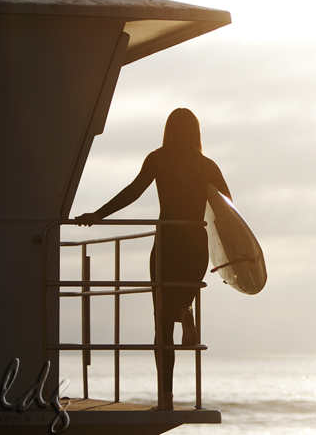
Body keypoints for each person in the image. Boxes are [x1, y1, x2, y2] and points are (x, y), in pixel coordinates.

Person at [76, 108, 231, 410]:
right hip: (195, 244)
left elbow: (133, 191)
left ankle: (166, 399)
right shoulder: (206, 165)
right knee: (182, 295)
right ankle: (186, 309)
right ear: (196, 132)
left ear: (168, 130)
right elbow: (228, 207)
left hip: (167, 244)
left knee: (162, 328)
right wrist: (232, 254)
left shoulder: (158, 159)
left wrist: (97, 214)